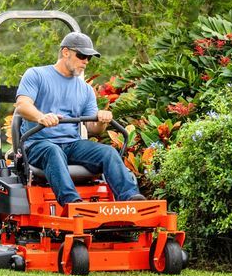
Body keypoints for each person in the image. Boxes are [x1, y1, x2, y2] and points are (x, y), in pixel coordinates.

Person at [14, 31, 146, 205]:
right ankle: (73, 203)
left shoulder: (85, 89)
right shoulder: (36, 75)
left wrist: (101, 119)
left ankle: (130, 198)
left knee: (108, 152)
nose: (85, 61)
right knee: (53, 151)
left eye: (89, 58)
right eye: (82, 55)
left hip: (71, 145)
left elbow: (94, 130)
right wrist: (41, 117)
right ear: (66, 52)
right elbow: (22, 105)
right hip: (38, 144)